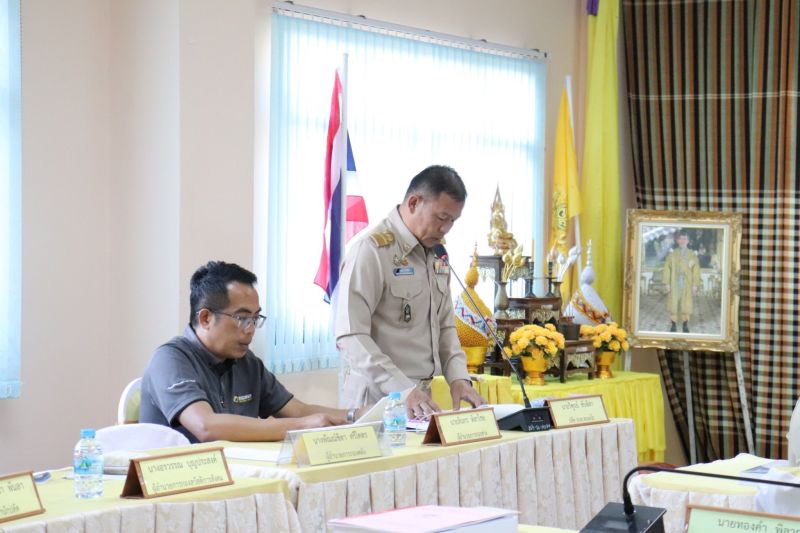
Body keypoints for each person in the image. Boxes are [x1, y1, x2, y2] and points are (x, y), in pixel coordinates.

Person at [140, 261, 365, 443]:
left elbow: (298, 410)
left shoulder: (246, 362)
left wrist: (356, 416)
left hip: (239, 472)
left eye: (255, 319)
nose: (250, 329)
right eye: (241, 318)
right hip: (181, 480)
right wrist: (302, 426)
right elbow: (206, 426)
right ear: (206, 318)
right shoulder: (170, 359)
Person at [335, 165, 485, 419]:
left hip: (421, 397)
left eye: (453, 220)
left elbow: (445, 326)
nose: (446, 228)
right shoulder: (372, 251)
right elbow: (351, 335)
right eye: (441, 217)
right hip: (376, 397)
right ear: (414, 203)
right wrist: (403, 390)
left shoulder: (437, 254)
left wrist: (459, 378)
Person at [662, 230, 701, 333]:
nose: (683, 241)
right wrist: (667, 283)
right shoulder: (672, 254)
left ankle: (685, 325)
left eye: (685, 239)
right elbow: (667, 268)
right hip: (674, 282)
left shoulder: (692, 255)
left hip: (687, 282)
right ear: (677, 240)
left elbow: (696, 271)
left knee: (686, 303)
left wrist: (695, 284)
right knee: (673, 303)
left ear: (688, 241)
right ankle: (673, 325)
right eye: (680, 239)